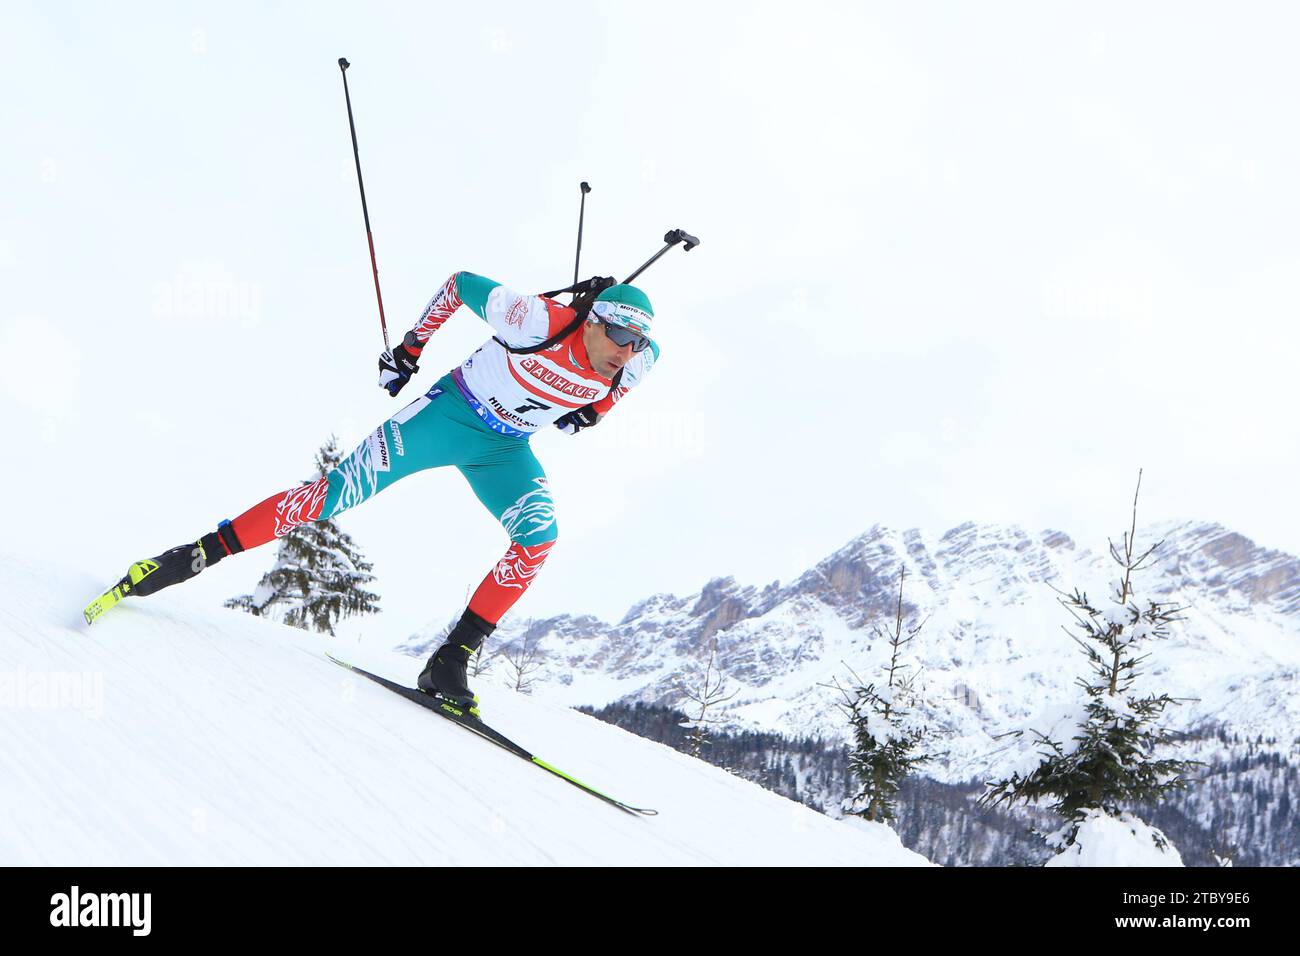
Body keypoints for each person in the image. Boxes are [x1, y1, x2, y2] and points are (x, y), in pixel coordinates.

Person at [98, 272, 659, 710]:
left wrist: (592, 414)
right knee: (330, 496)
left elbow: (620, 388)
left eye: (638, 341)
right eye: (620, 334)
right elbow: (460, 283)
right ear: (592, 320)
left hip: (504, 449)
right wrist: (412, 349)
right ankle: (189, 556)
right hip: (446, 418)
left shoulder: (634, 363)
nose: (627, 350)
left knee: (538, 540)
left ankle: (450, 661)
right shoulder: (536, 321)